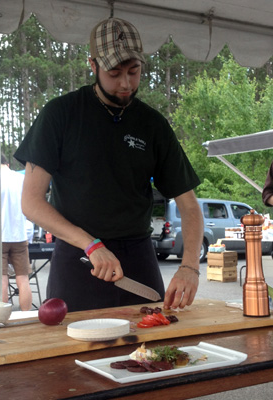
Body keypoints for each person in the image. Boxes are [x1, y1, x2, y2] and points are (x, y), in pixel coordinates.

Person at [14, 18, 203, 312]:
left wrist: (190, 266)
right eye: (114, 73)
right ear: (93, 65)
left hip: (138, 257)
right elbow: (31, 202)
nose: (126, 84)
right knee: (72, 352)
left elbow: (189, 206)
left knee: (152, 350)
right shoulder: (60, 115)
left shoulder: (152, 124)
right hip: (79, 257)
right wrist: (91, 245)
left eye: (134, 71)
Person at [0, 153, 33, 311]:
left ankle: (3, 321)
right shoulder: (21, 179)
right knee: (23, 279)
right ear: (7, 164)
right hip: (20, 236)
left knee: (1, 281)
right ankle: (25, 316)